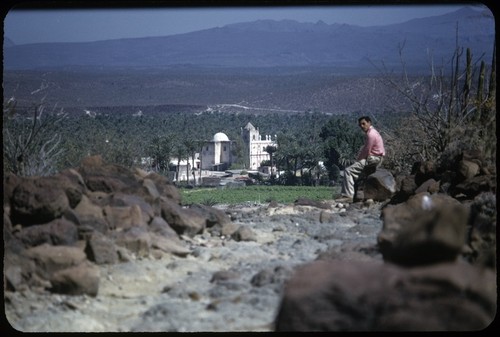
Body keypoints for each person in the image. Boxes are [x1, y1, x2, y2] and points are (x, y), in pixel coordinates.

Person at [337, 116, 385, 202]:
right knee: (357, 174)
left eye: (364, 123)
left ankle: (348, 195)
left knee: (348, 171)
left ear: (369, 123)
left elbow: (366, 150)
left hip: (373, 159)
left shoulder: (371, 134)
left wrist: (358, 160)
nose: (362, 126)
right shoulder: (374, 132)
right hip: (376, 158)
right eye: (360, 125)